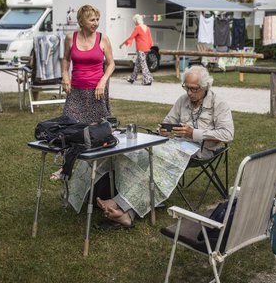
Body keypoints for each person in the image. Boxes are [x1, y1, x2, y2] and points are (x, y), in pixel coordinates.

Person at [96, 65, 234, 228]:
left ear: (205, 87)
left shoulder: (219, 104)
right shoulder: (183, 100)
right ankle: (127, 214)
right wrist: (162, 130)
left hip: (201, 150)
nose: (189, 93)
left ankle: (116, 203)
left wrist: (194, 133)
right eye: (186, 88)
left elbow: (227, 135)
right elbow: (168, 121)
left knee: (157, 162)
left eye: (193, 89)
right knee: (144, 157)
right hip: (175, 144)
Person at [61, 4, 115, 123]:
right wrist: (65, 77)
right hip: (75, 90)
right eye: (92, 20)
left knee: (98, 128)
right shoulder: (70, 38)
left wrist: (103, 81)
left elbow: (111, 64)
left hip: (97, 90)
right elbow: (65, 59)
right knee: (70, 124)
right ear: (81, 21)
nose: (96, 23)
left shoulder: (103, 38)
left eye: (97, 19)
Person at [119, 14, 153, 86]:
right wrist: (150, 46)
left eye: (134, 21)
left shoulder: (137, 28)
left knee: (143, 65)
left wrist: (122, 44)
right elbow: (150, 39)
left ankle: (148, 80)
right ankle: (132, 78)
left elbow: (131, 37)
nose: (134, 23)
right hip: (146, 48)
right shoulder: (147, 28)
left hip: (141, 49)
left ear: (137, 21)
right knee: (137, 64)